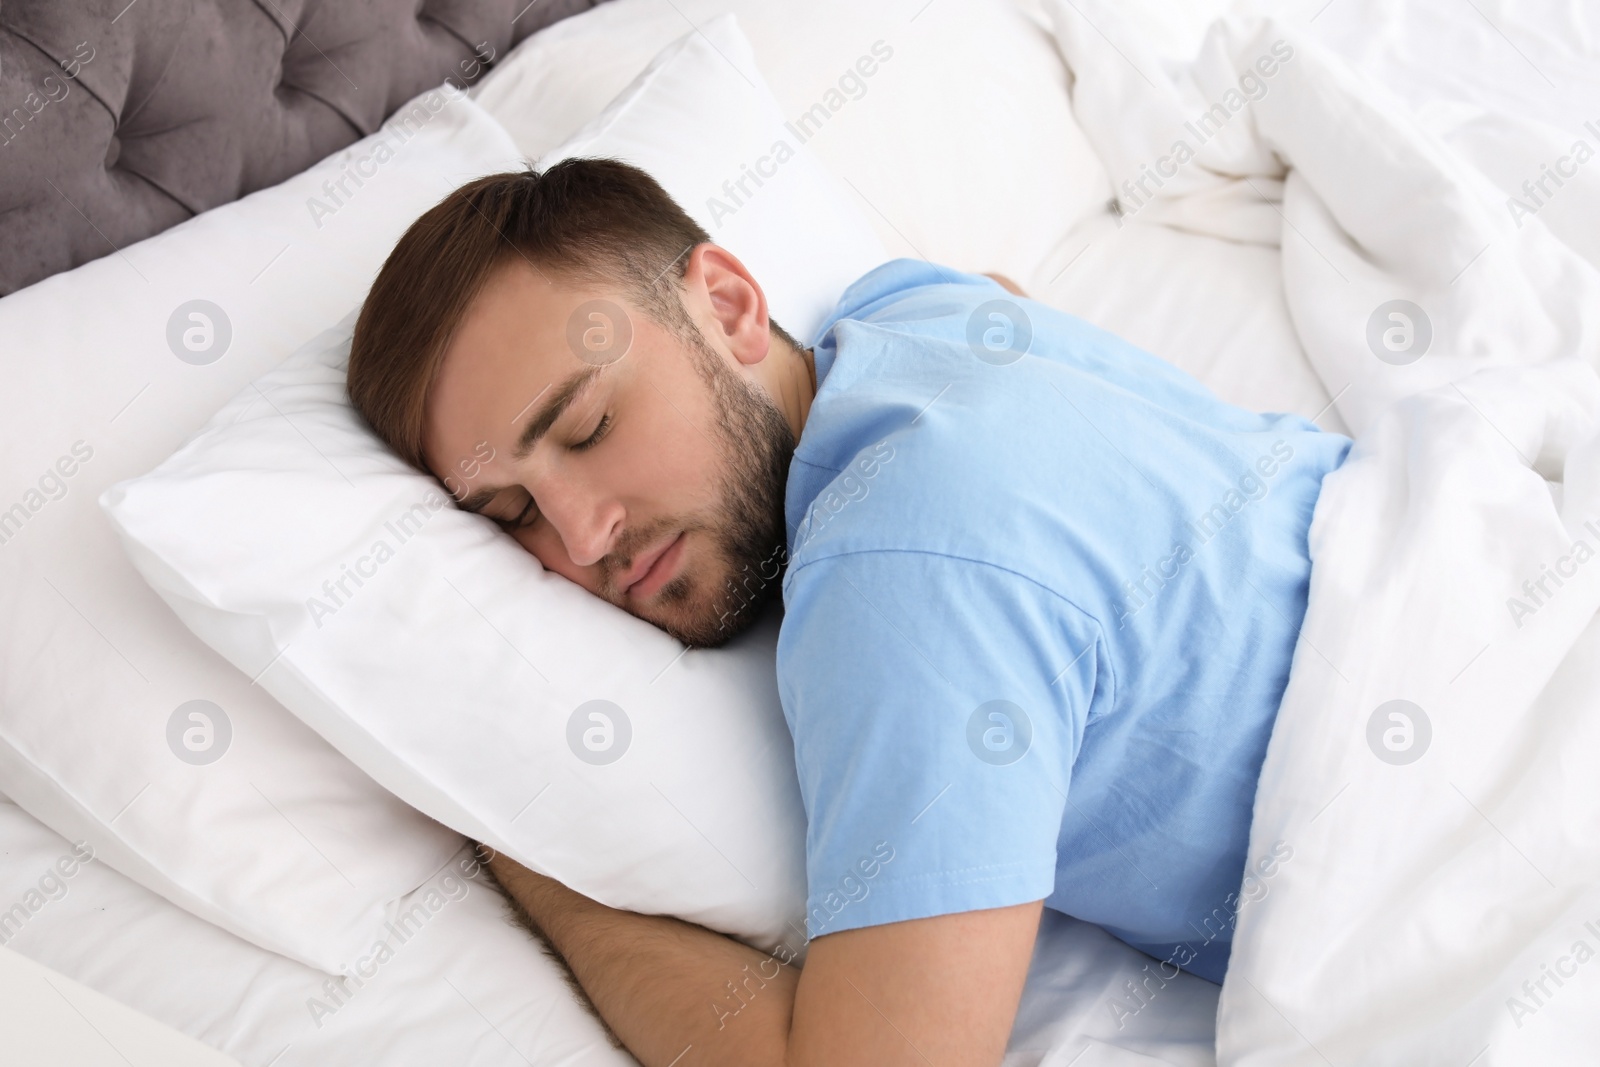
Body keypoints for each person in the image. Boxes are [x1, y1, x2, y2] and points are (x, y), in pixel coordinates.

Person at [347, 159, 1350, 1067]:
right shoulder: (910, 309)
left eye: (588, 424)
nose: (578, 536)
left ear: (731, 305)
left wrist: (533, 864)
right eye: (512, 513)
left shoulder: (889, 574)